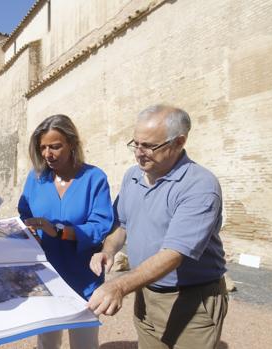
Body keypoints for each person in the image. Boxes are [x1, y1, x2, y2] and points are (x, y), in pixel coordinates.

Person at [88, 105, 228, 349]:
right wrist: (108, 250)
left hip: (191, 300)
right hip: (146, 292)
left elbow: (174, 254)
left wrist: (120, 285)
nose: (139, 153)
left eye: (149, 146)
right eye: (136, 143)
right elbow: (121, 223)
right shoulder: (133, 175)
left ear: (179, 142)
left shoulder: (200, 185)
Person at [18, 114, 114, 349]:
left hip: (84, 278)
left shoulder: (94, 178)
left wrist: (60, 231)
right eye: (42, 148)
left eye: (55, 146)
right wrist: (28, 230)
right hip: (47, 277)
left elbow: (100, 225)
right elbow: (24, 215)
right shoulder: (36, 178)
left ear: (71, 143)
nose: (47, 154)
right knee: (47, 343)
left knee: (84, 344)